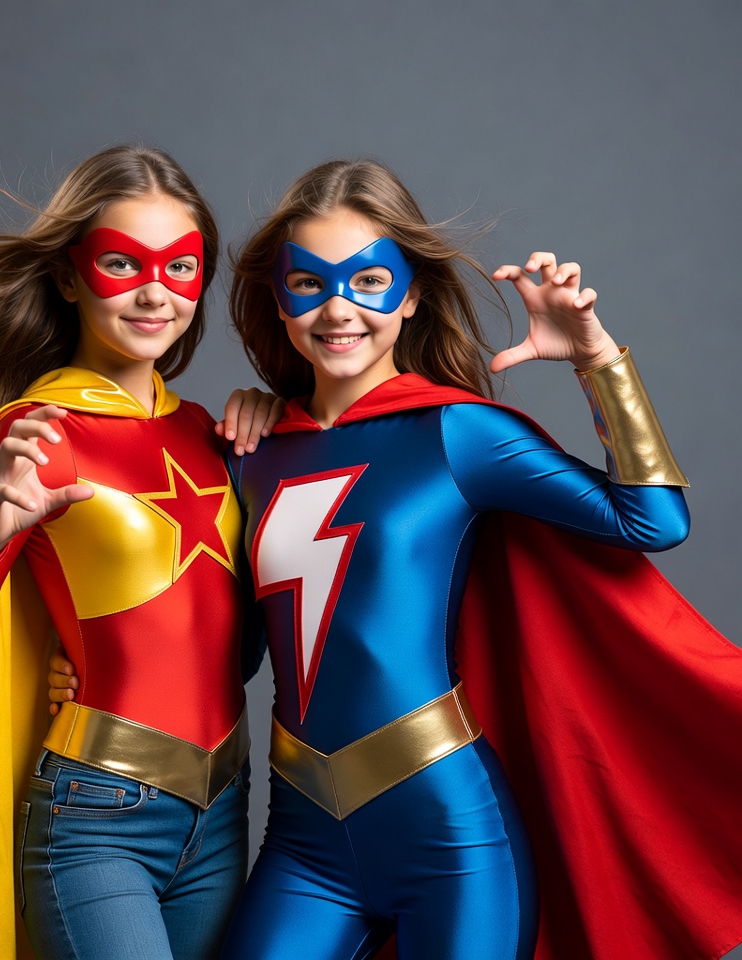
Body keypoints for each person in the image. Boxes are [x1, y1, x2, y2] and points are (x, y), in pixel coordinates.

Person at [214, 160, 742, 959]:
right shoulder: (252, 455)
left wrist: (596, 358)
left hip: (450, 838)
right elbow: (241, 650)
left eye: (369, 281)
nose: (338, 309)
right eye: (309, 285)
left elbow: (653, 520)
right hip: (302, 837)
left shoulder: (459, 433)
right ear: (277, 299)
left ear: (413, 294)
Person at [0, 145, 282, 960]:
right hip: (99, 812)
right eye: (122, 262)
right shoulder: (40, 431)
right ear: (70, 277)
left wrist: (271, 435)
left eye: (181, 267)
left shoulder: (212, 435)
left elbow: (240, 647)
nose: (156, 291)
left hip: (223, 807)